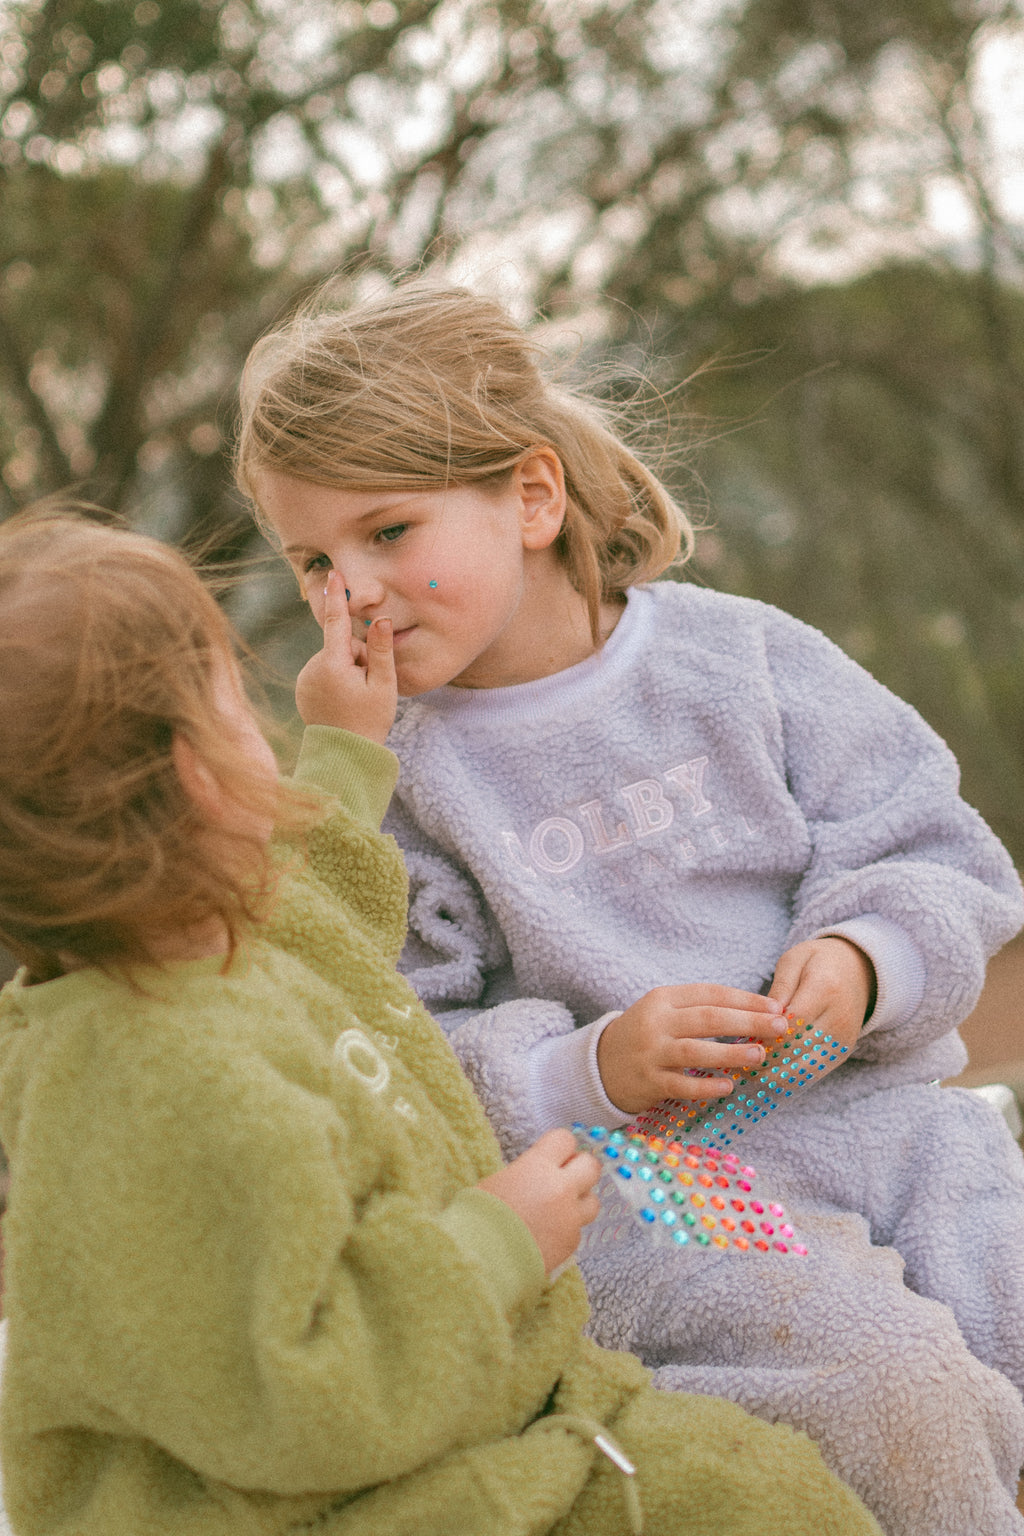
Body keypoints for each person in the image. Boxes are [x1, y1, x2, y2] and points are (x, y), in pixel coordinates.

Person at [235, 278, 1024, 1536]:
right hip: (651, 1188)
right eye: (314, 561)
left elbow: (928, 842)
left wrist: (862, 957)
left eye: (388, 532)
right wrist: (589, 1065)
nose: (353, 590)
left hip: (889, 1120)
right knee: (896, 1390)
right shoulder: (398, 779)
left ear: (532, 498)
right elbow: (387, 1048)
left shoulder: (743, 659)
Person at [0, 508, 884, 1536]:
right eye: (233, 700)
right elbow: (310, 1397)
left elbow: (304, 907)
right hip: (360, 1497)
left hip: (437, 1433)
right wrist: (494, 1243)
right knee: (747, 1504)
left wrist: (343, 747)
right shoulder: (160, 1081)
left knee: (752, 1484)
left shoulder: (180, 947)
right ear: (198, 771)